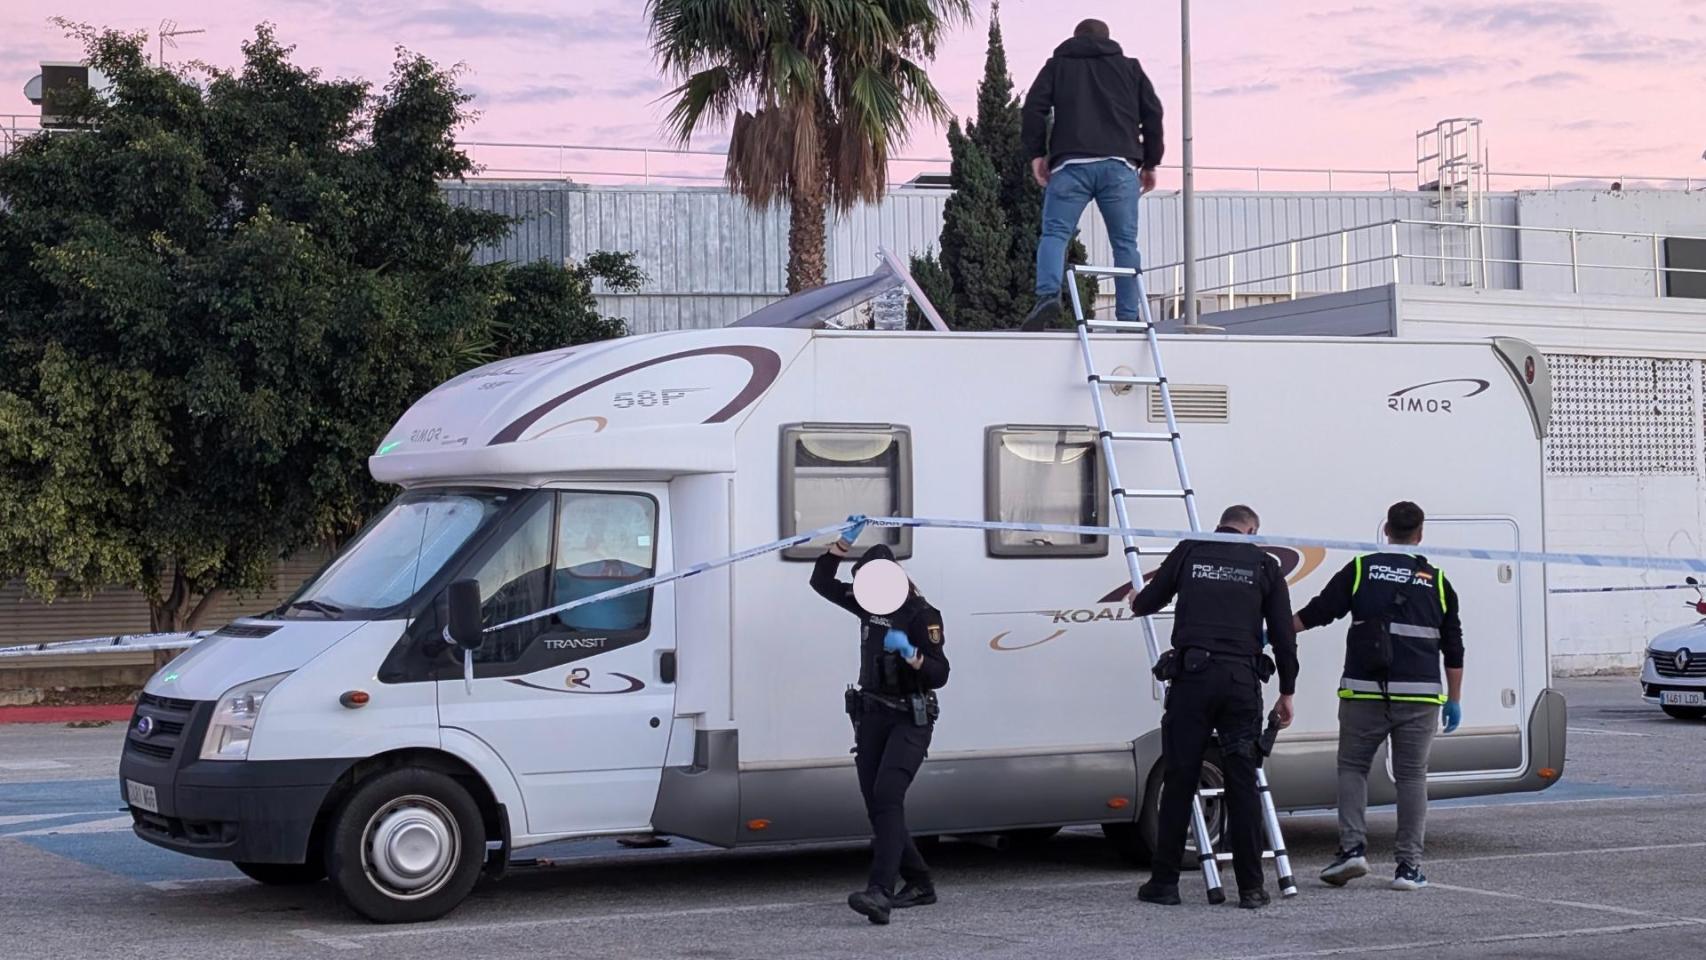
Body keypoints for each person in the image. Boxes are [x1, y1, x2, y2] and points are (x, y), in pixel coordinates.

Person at [1131, 504, 1297, 910]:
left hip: (1193, 680)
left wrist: (1137, 599)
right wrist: (1287, 691)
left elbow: (1147, 602)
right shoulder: (1265, 565)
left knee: (1180, 779)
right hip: (1241, 685)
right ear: (1252, 529)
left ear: (1221, 525)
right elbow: (1282, 635)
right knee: (1242, 785)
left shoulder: (1190, 550)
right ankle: (1252, 890)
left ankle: (1165, 883)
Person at [1293, 501, 1464, 892]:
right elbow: (1453, 648)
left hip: (1363, 692)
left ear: (1385, 529)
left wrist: (1278, 633)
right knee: (1411, 776)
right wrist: (1454, 698)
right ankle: (1408, 869)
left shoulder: (1360, 570)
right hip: (1420, 698)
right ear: (1420, 534)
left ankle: (1351, 849)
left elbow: (1319, 611)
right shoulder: (1437, 581)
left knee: (1353, 768)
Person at [811, 516, 950, 925]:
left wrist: (913, 655)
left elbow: (940, 674)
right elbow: (821, 583)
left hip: (910, 718)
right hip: (871, 716)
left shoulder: (922, 614)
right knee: (878, 806)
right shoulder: (866, 603)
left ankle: (880, 892)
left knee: (888, 796)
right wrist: (843, 543)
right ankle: (920, 883)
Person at [1018, 17, 1164, 332]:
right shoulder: (1130, 69)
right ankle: (1127, 317)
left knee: (1055, 234)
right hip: (1119, 166)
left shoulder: (1057, 66)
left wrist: (1036, 155)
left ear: (1075, 38)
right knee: (1125, 243)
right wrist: (1151, 162)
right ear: (1108, 39)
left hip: (1071, 166)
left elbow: (1033, 109)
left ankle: (1047, 297)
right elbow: (1153, 113)